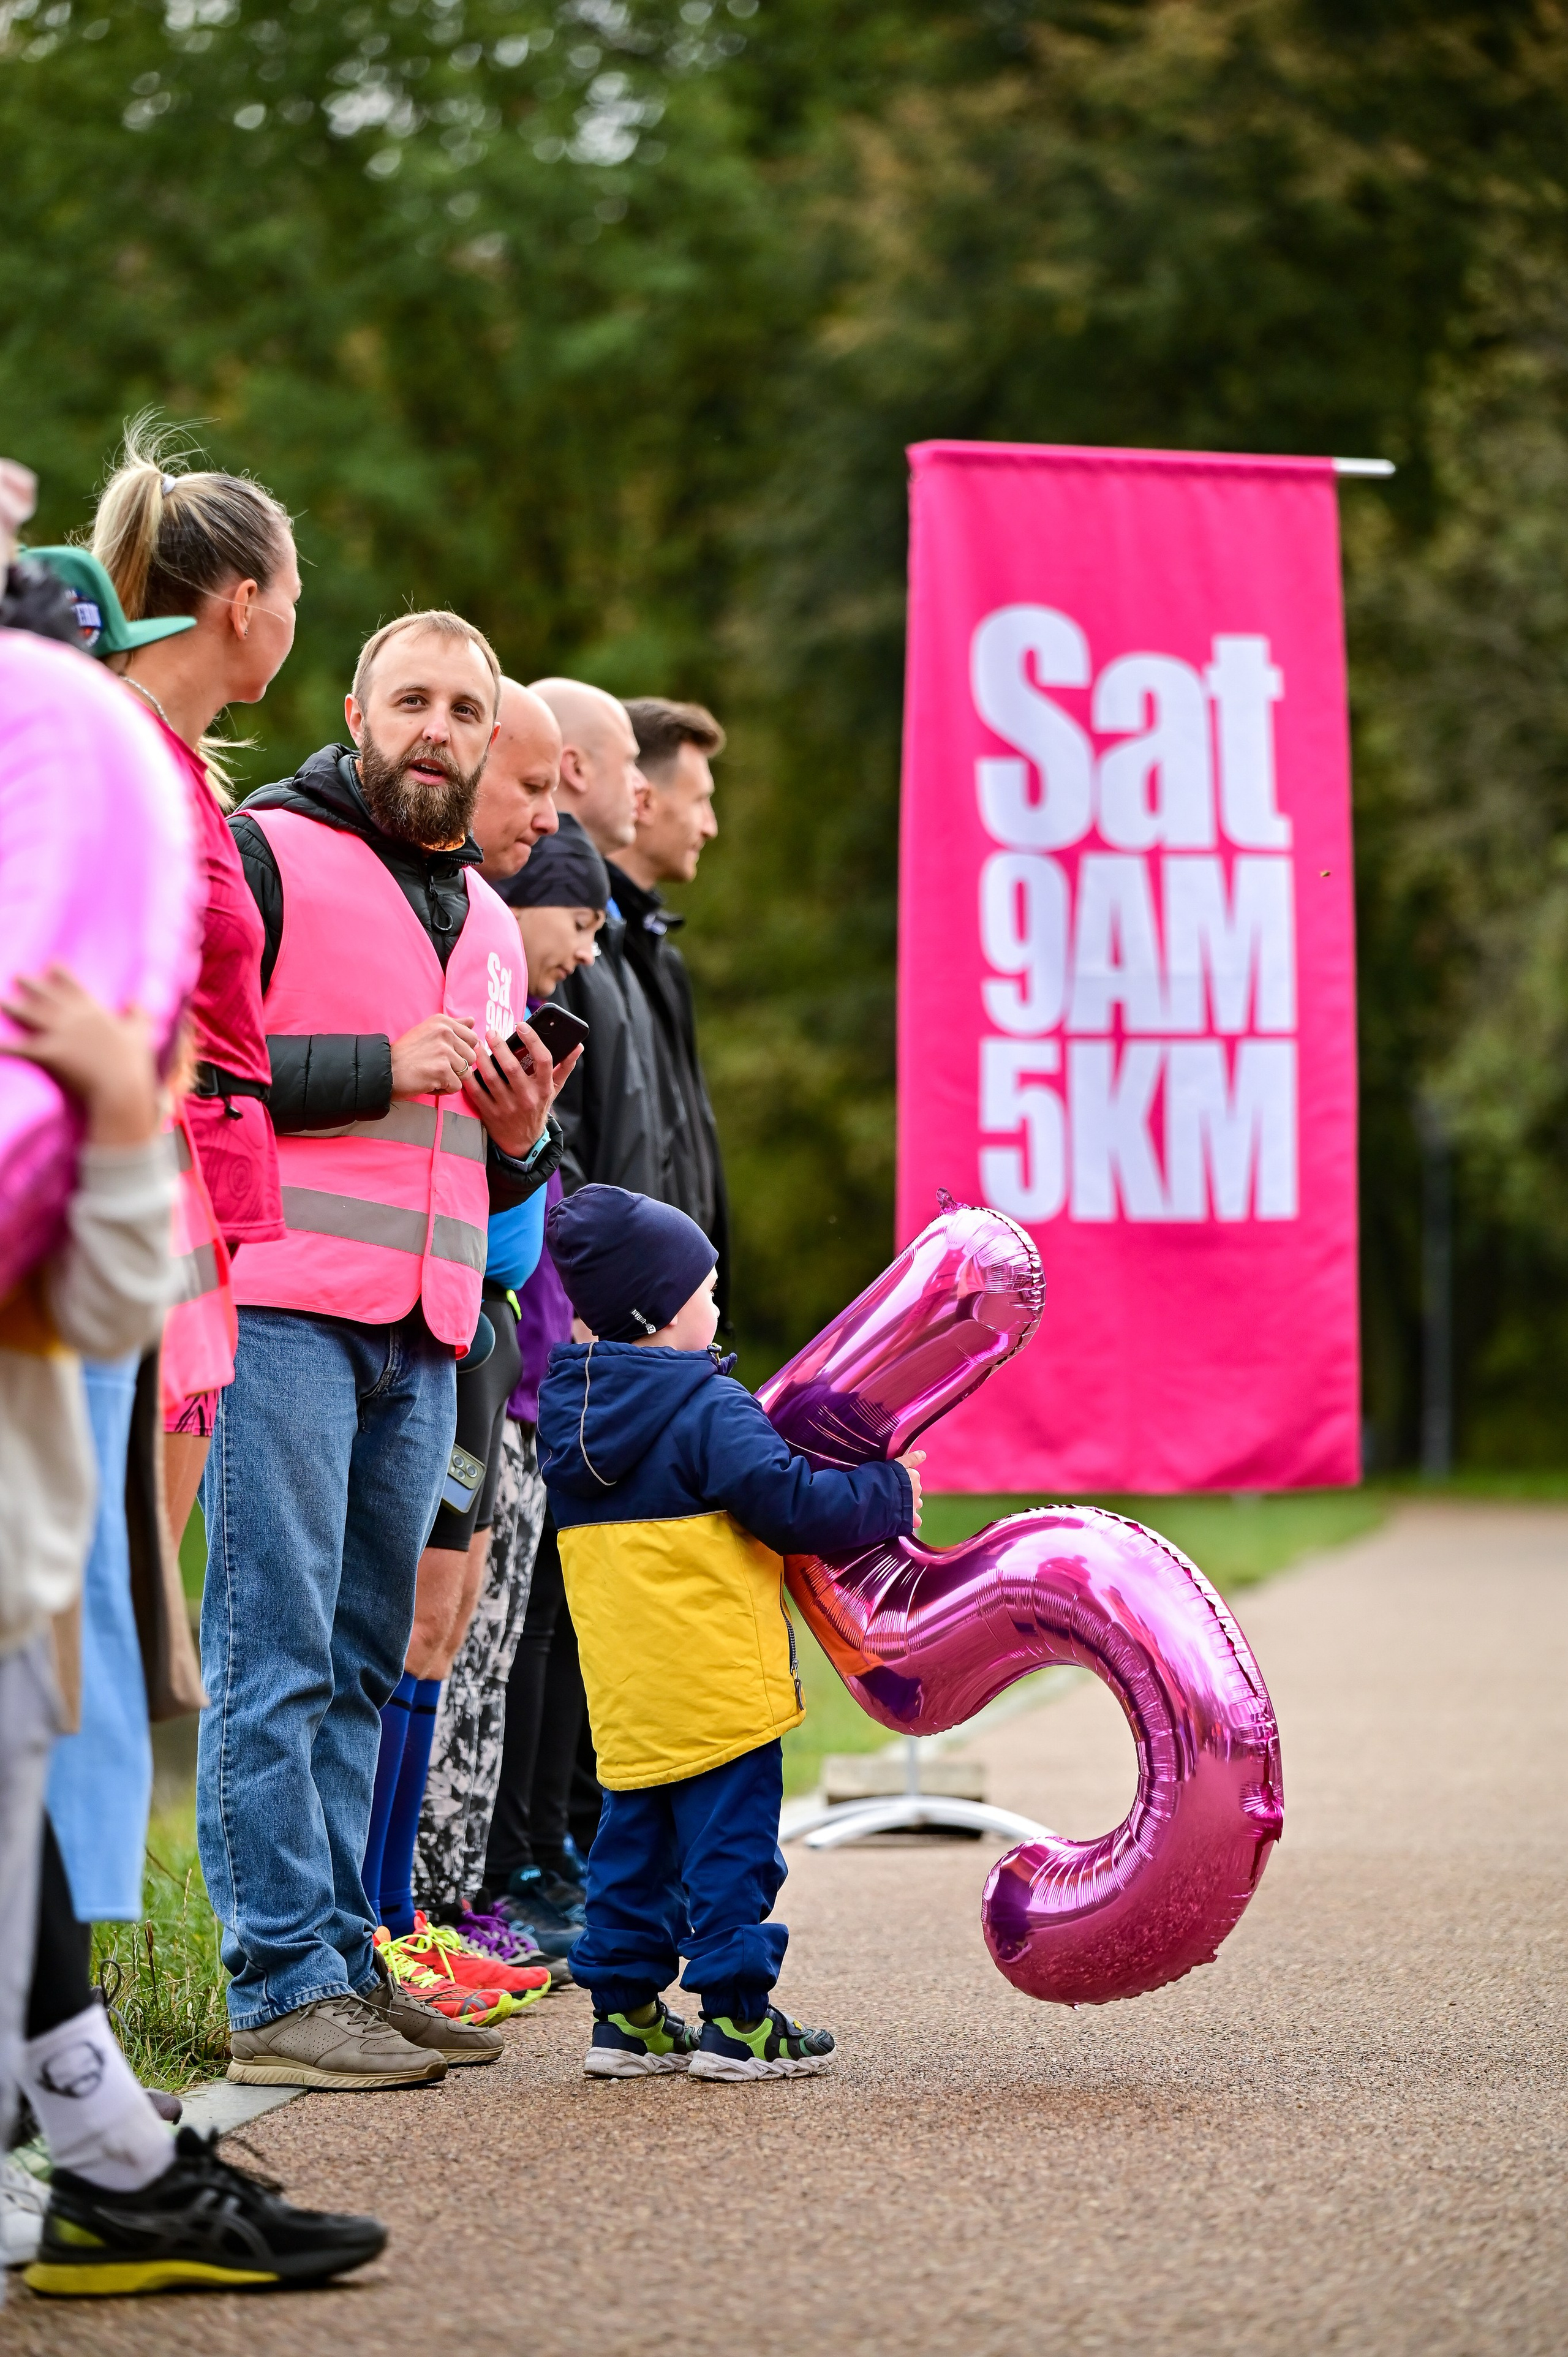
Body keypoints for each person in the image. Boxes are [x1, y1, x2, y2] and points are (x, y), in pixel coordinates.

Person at [203, 608, 581, 2091]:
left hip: (424, 1333)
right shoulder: (265, 852)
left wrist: (519, 1136)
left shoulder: (487, 920)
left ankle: (347, 1958)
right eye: (410, 698)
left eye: (463, 708)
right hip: (283, 1310)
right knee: (277, 1651)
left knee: (365, 1660)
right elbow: (195, 1065)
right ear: (354, 710)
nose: (436, 725)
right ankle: (275, 1979)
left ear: (490, 740)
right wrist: (378, 1064)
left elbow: (479, 1173)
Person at [537, 1185, 924, 2081]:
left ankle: (625, 2017)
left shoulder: (573, 1419)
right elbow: (788, 1502)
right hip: (720, 1688)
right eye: (706, 1292)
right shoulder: (709, 1407)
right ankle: (740, 2022)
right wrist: (891, 1490)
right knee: (732, 1857)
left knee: (630, 1847)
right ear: (660, 1310)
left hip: (631, 1694)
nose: (717, 1308)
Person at [375, 682, 564, 1940]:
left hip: (470, 1334)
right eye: (532, 788)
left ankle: (400, 1916)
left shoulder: (491, 928)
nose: (546, 817)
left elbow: (507, 1227)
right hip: (348, 1324)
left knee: (440, 1634)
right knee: (375, 1636)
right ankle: (362, 1927)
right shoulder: (339, 879)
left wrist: (523, 1140)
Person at [458, 816, 612, 1956]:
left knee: (513, 1631)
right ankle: (458, 1882)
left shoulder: (568, 1013)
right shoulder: (485, 994)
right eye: (581, 919)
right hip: (492, 1375)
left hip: (538, 1376)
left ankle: (487, 1877)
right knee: (456, 1641)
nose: (592, 952)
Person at [530, 679, 673, 1201]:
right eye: (630, 763)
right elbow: (551, 1142)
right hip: (583, 1276)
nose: (644, 786)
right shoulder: (536, 932)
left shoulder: (613, 936)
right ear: (577, 768)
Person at [616, 698, 732, 1318]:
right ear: (643, 798)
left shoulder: (660, 958)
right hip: (622, 1328)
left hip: (675, 1319)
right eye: (699, 800)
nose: (710, 825)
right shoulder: (576, 954)